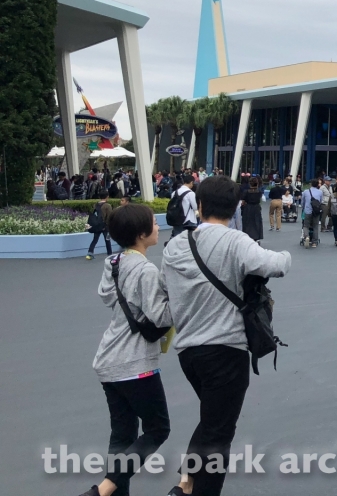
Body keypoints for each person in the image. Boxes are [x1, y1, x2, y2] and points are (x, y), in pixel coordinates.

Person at [161, 175, 291, 496]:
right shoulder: (236, 240)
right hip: (226, 353)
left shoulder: (175, 246)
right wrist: (287, 256)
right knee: (219, 434)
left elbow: (165, 291)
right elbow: (273, 265)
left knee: (212, 419)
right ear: (236, 207)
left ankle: (186, 484)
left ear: (200, 205)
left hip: (189, 353)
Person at [79, 203, 172, 496]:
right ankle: (103, 490)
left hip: (109, 359)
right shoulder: (145, 270)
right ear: (142, 234)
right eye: (154, 224)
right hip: (134, 363)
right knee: (158, 429)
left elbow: (106, 295)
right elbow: (162, 316)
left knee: (122, 436)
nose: (158, 227)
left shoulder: (115, 262)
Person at [85, 188, 114, 260]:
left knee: (95, 239)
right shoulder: (108, 206)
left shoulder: (96, 205)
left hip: (97, 225)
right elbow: (109, 216)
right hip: (105, 226)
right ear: (107, 197)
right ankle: (110, 254)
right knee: (107, 240)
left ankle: (90, 253)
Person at [168, 173, 198, 241]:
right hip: (188, 220)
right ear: (191, 182)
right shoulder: (190, 193)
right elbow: (195, 207)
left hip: (176, 219)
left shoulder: (174, 193)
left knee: (177, 239)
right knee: (189, 240)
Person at [240, 177, 264, 243]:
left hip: (248, 207)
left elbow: (243, 201)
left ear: (250, 184)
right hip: (256, 208)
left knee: (247, 222)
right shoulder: (259, 192)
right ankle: (257, 236)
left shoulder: (246, 192)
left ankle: (247, 235)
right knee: (257, 222)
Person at [302, 178, 323, 248]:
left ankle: (306, 237)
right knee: (315, 226)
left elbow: (303, 202)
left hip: (307, 211)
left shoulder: (305, 192)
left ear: (310, 184)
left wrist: (304, 208)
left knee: (306, 226)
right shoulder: (320, 192)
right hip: (316, 212)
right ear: (317, 185)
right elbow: (320, 201)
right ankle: (314, 242)